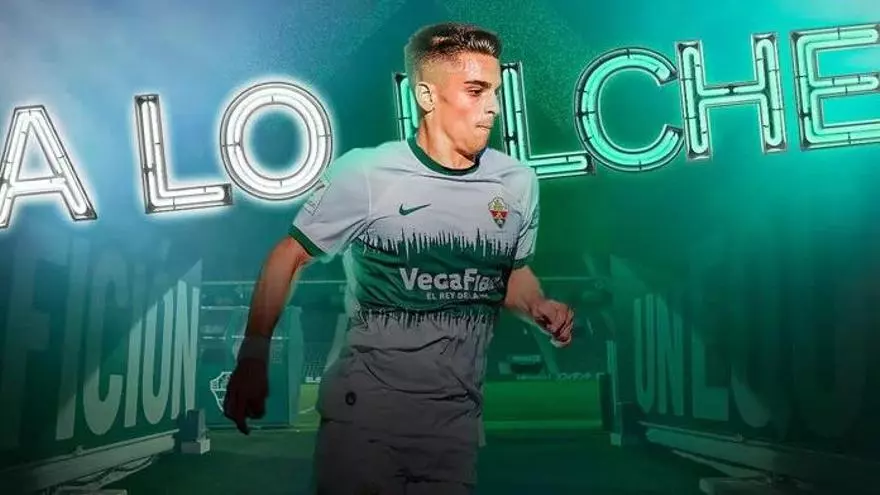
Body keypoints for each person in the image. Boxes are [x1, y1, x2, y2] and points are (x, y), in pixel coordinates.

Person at [223, 22, 574, 495]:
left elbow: (509, 272)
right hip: (364, 420)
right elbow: (288, 256)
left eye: (495, 90)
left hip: (456, 426)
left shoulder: (517, 183)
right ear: (426, 95)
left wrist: (537, 305)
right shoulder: (366, 174)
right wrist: (253, 356)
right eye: (476, 91)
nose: (493, 105)